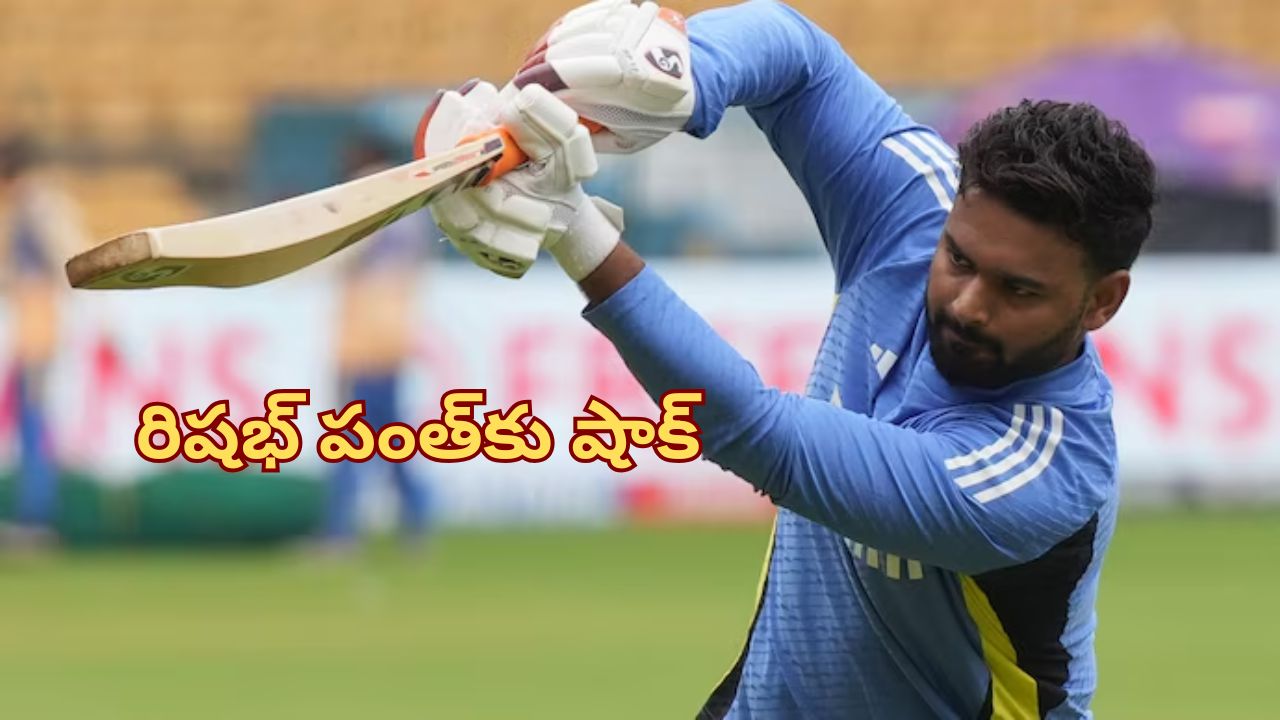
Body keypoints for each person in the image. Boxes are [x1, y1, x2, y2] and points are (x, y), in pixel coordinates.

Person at [419, 1, 1157, 717]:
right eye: (959, 259)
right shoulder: (920, 211)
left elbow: (758, 434)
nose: (968, 303)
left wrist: (573, 226)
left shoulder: (1039, 470)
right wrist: (681, 73)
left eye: (1018, 290)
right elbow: (796, 55)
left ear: (1102, 301)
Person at [321, 136, 435, 551]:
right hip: (391, 338)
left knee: (351, 440)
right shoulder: (410, 212)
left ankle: (340, 533)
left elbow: (339, 259)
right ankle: (417, 522)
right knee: (390, 440)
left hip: (365, 341)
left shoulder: (368, 201)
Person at [0, 134, 85, 546]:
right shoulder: (26, 208)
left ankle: (37, 517)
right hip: (29, 327)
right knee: (29, 425)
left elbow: (70, 259)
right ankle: (33, 514)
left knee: (35, 424)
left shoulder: (42, 207)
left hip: (41, 327)